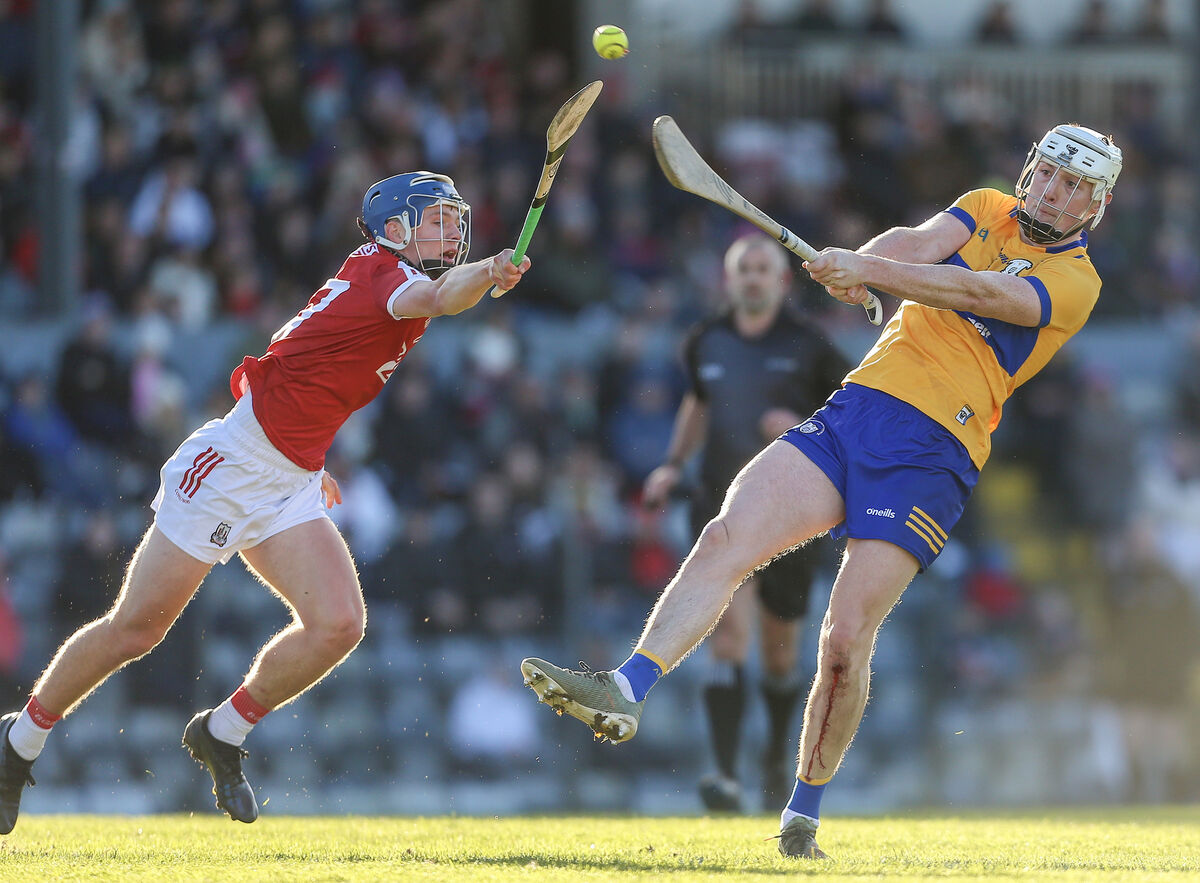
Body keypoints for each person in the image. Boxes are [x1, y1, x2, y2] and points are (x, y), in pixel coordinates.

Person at [521, 123, 1121, 858]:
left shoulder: (1076, 282)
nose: (1053, 192)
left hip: (934, 451)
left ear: (1094, 205)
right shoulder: (987, 204)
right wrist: (865, 266)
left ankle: (802, 813)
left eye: (1073, 187)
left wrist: (871, 271)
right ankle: (626, 686)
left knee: (843, 641)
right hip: (858, 406)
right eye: (1049, 174)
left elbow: (975, 288)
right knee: (725, 534)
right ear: (1031, 171)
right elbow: (917, 241)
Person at [0, 171, 530, 834]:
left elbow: (325, 369)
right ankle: (19, 741)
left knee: (339, 624)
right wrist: (487, 269)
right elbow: (442, 294)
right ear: (392, 230)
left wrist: (313, 462)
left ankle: (221, 731)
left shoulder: (397, 281)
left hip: (290, 476)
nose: (450, 231)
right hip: (232, 467)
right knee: (137, 628)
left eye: (453, 219)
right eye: (434, 219)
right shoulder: (384, 275)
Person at [640, 234, 848, 812]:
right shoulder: (705, 340)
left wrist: (802, 423)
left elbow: (852, 415)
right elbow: (699, 404)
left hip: (791, 513)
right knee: (727, 638)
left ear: (782, 281)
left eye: (763, 269)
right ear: (729, 281)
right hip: (717, 505)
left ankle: (776, 762)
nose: (753, 278)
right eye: (743, 270)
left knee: (780, 655)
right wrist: (673, 464)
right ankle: (724, 777)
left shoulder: (811, 345)